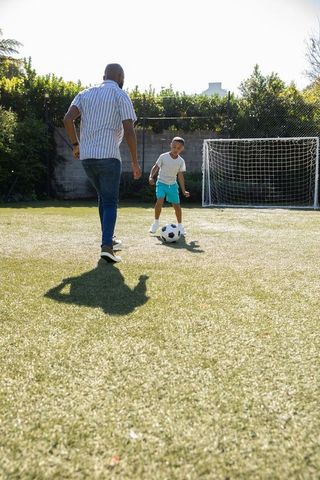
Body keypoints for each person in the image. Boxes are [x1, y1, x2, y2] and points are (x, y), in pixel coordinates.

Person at [63, 63, 141, 263]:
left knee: (103, 198)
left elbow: (67, 119)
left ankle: (109, 240)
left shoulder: (85, 94)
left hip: (87, 158)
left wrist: (75, 145)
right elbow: (129, 130)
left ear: (103, 75)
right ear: (121, 77)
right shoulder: (120, 95)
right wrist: (134, 161)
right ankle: (107, 246)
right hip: (108, 156)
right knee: (110, 202)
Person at [148, 137, 190, 234]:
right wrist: (151, 176)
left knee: (177, 206)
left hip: (173, 185)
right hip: (161, 183)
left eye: (179, 148)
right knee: (160, 200)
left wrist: (184, 191)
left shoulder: (181, 161)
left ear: (182, 149)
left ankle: (180, 226)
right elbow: (156, 167)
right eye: (174, 147)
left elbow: (180, 176)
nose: (176, 149)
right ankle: (156, 223)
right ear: (170, 145)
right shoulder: (163, 156)